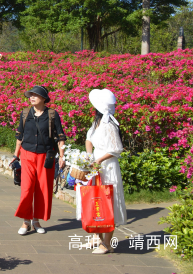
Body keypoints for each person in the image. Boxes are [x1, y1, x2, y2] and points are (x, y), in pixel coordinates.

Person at [78, 88, 127, 254]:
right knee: (96, 198)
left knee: (108, 200)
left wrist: (98, 159)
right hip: (96, 164)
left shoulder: (110, 125)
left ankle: (107, 243)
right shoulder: (97, 122)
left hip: (108, 166)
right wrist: (89, 156)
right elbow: (88, 139)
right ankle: (97, 238)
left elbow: (116, 149)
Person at [14, 85, 67, 235]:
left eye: (35, 95)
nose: (31, 97)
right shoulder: (25, 113)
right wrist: (15, 155)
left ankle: (36, 221)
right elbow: (19, 136)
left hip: (46, 156)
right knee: (27, 189)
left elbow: (61, 137)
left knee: (43, 189)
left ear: (43, 98)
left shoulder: (52, 114)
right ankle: (25, 221)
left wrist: (62, 156)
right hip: (27, 154)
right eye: (30, 95)